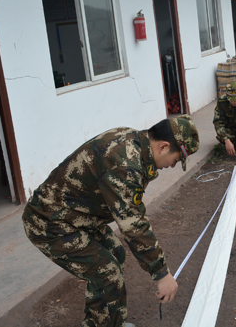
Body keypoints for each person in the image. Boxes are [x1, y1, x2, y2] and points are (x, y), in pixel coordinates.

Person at [22, 115, 200, 327]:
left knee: (115, 253)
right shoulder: (126, 164)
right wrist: (161, 273)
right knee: (108, 274)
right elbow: (133, 225)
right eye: (176, 160)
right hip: (50, 222)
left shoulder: (133, 140)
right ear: (163, 147)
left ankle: (99, 323)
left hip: (76, 216)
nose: (172, 166)